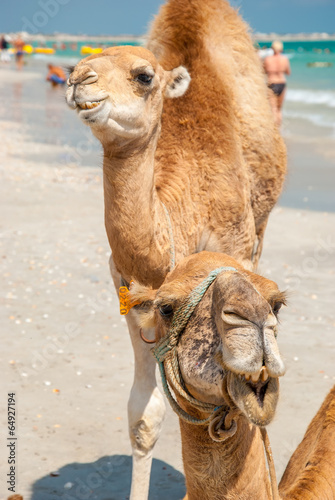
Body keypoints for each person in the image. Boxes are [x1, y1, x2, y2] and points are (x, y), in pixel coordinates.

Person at [263, 40, 291, 126]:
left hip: (272, 83)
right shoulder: (285, 59)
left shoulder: (267, 59)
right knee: (279, 109)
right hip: (282, 84)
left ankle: (274, 131)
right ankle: (279, 129)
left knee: (273, 109)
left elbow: (263, 71)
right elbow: (288, 72)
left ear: (272, 48)